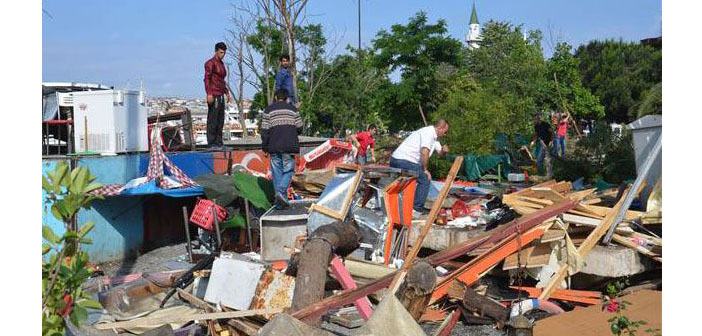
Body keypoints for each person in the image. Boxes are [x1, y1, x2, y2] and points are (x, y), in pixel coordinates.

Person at [389, 119, 450, 218]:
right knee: (425, 179)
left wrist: (444, 151)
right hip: (402, 160)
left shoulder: (434, 139)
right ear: (440, 128)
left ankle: (407, 205)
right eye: (445, 131)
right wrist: (425, 170)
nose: (445, 134)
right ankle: (416, 210)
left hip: (402, 160)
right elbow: (424, 153)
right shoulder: (428, 133)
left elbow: (440, 154)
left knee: (416, 179)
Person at [261, 89, 303, 209]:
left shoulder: (268, 110)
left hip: (273, 147)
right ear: (287, 98)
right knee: (288, 171)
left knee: (277, 173)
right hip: (289, 146)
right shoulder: (293, 110)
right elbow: (300, 128)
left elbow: (264, 131)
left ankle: (280, 204)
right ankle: (281, 193)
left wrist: (264, 147)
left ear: (275, 97)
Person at [204, 42, 232, 150]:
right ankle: (211, 143)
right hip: (214, 94)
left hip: (220, 94)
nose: (223, 55)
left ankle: (219, 143)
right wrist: (209, 93)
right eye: (221, 52)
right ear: (216, 51)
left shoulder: (221, 64)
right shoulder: (210, 63)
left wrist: (227, 92)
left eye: (224, 53)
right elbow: (207, 78)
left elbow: (221, 80)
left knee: (220, 120)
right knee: (213, 119)